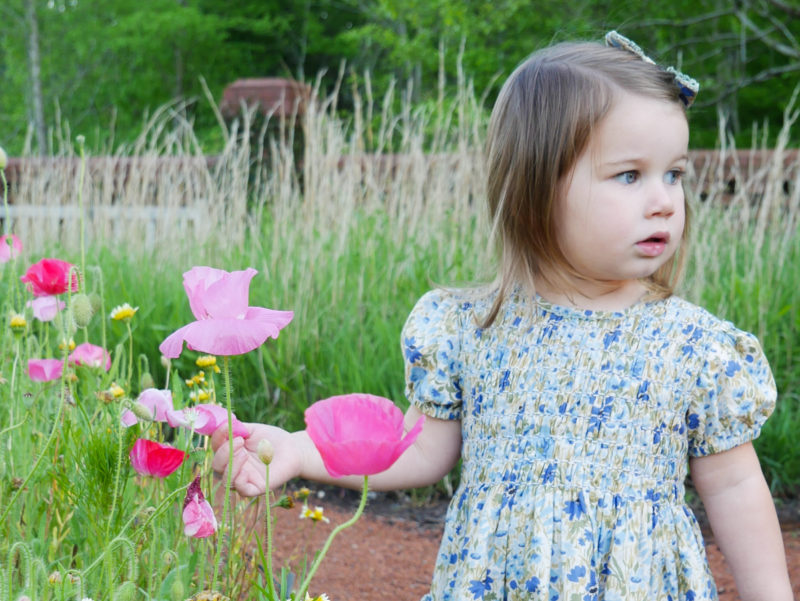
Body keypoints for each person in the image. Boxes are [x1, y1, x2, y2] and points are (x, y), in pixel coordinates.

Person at [211, 32, 793, 601]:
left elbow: (736, 484)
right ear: (536, 186)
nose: (665, 199)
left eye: (674, 173)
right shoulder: (470, 327)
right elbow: (417, 451)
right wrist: (297, 449)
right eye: (629, 175)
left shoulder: (695, 345)